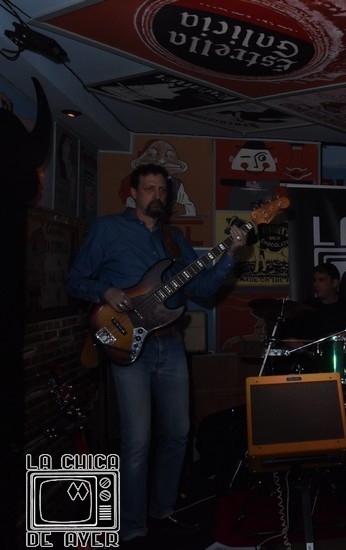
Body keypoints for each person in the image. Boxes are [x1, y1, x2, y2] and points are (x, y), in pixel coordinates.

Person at [65, 163, 249, 545]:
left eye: (163, 190)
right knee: (137, 441)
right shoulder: (108, 229)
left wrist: (231, 251)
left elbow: (204, 288)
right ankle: (133, 527)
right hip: (128, 344)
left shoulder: (173, 239)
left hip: (170, 343)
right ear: (133, 193)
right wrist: (104, 291)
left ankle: (162, 511)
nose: (157, 196)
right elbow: (75, 279)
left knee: (178, 434)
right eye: (149, 188)